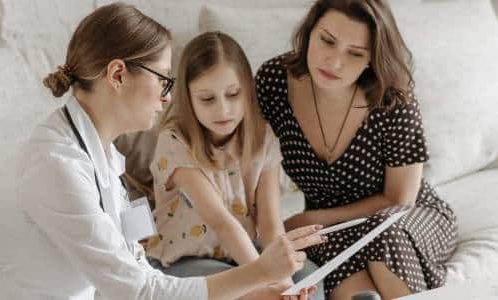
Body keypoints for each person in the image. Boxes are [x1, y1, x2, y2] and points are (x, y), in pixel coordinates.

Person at [0, 3, 324, 299]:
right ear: (117, 75)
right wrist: (260, 273)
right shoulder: (57, 166)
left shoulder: (104, 156)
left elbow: (138, 271)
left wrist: (260, 290)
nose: (167, 98)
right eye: (162, 81)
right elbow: (141, 291)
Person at [255, 0, 458, 299]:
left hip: (405, 218)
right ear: (310, 32)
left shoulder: (392, 99)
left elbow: (399, 199)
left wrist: (313, 219)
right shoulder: (273, 81)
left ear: (371, 59)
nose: (334, 62)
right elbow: (259, 164)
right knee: (351, 287)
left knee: (383, 234)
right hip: (331, 231)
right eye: (327, 40)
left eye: (355, 53)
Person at [146, 31, 325, 300]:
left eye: (233, 94)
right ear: (189, 97)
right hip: (183, 261)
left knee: (309, 281)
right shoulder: (174, 141)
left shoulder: (262, 137)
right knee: (250, 294)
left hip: (243, 252)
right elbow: (221, 222)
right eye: (207, 99)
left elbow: (269, 223)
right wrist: (268, 282)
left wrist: (285, 283)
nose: (223, 110)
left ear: (247, 90)